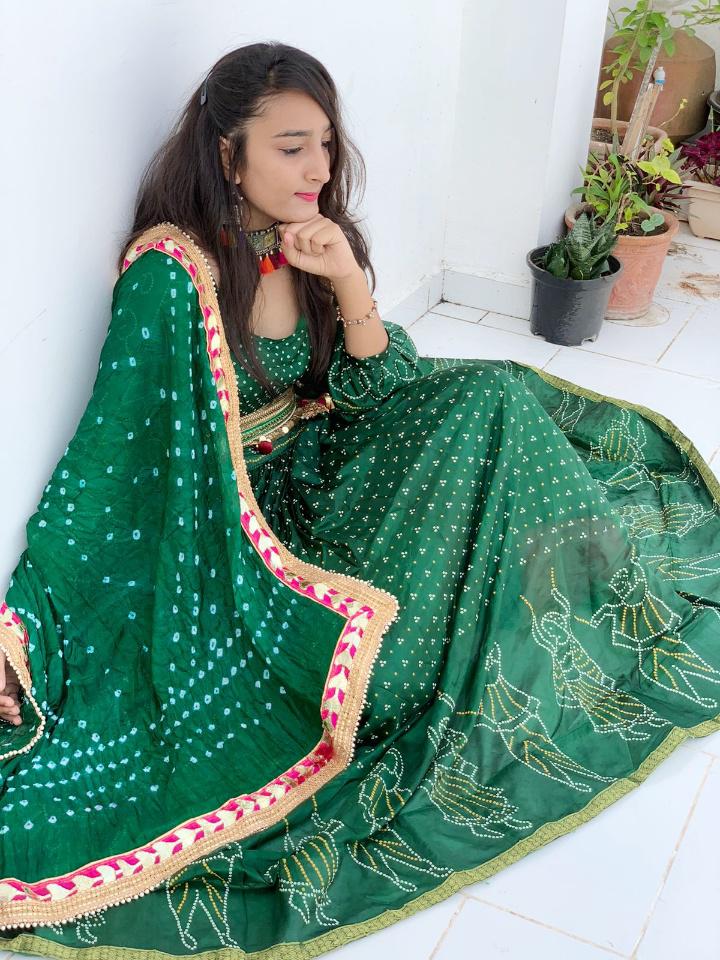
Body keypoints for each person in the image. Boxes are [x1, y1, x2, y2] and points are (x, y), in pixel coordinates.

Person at [1, 40, 719, 960]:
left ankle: (585, 589)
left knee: (493, 396)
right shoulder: (171, 276)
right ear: (227, 154)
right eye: (291, 147)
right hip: (249, 534)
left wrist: (343, 276)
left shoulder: (304, 236)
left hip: (330, 457)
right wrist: (21, 633)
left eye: (327, 144)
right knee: (388, 674)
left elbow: (375, 387)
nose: (318, 167)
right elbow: (105, 470)